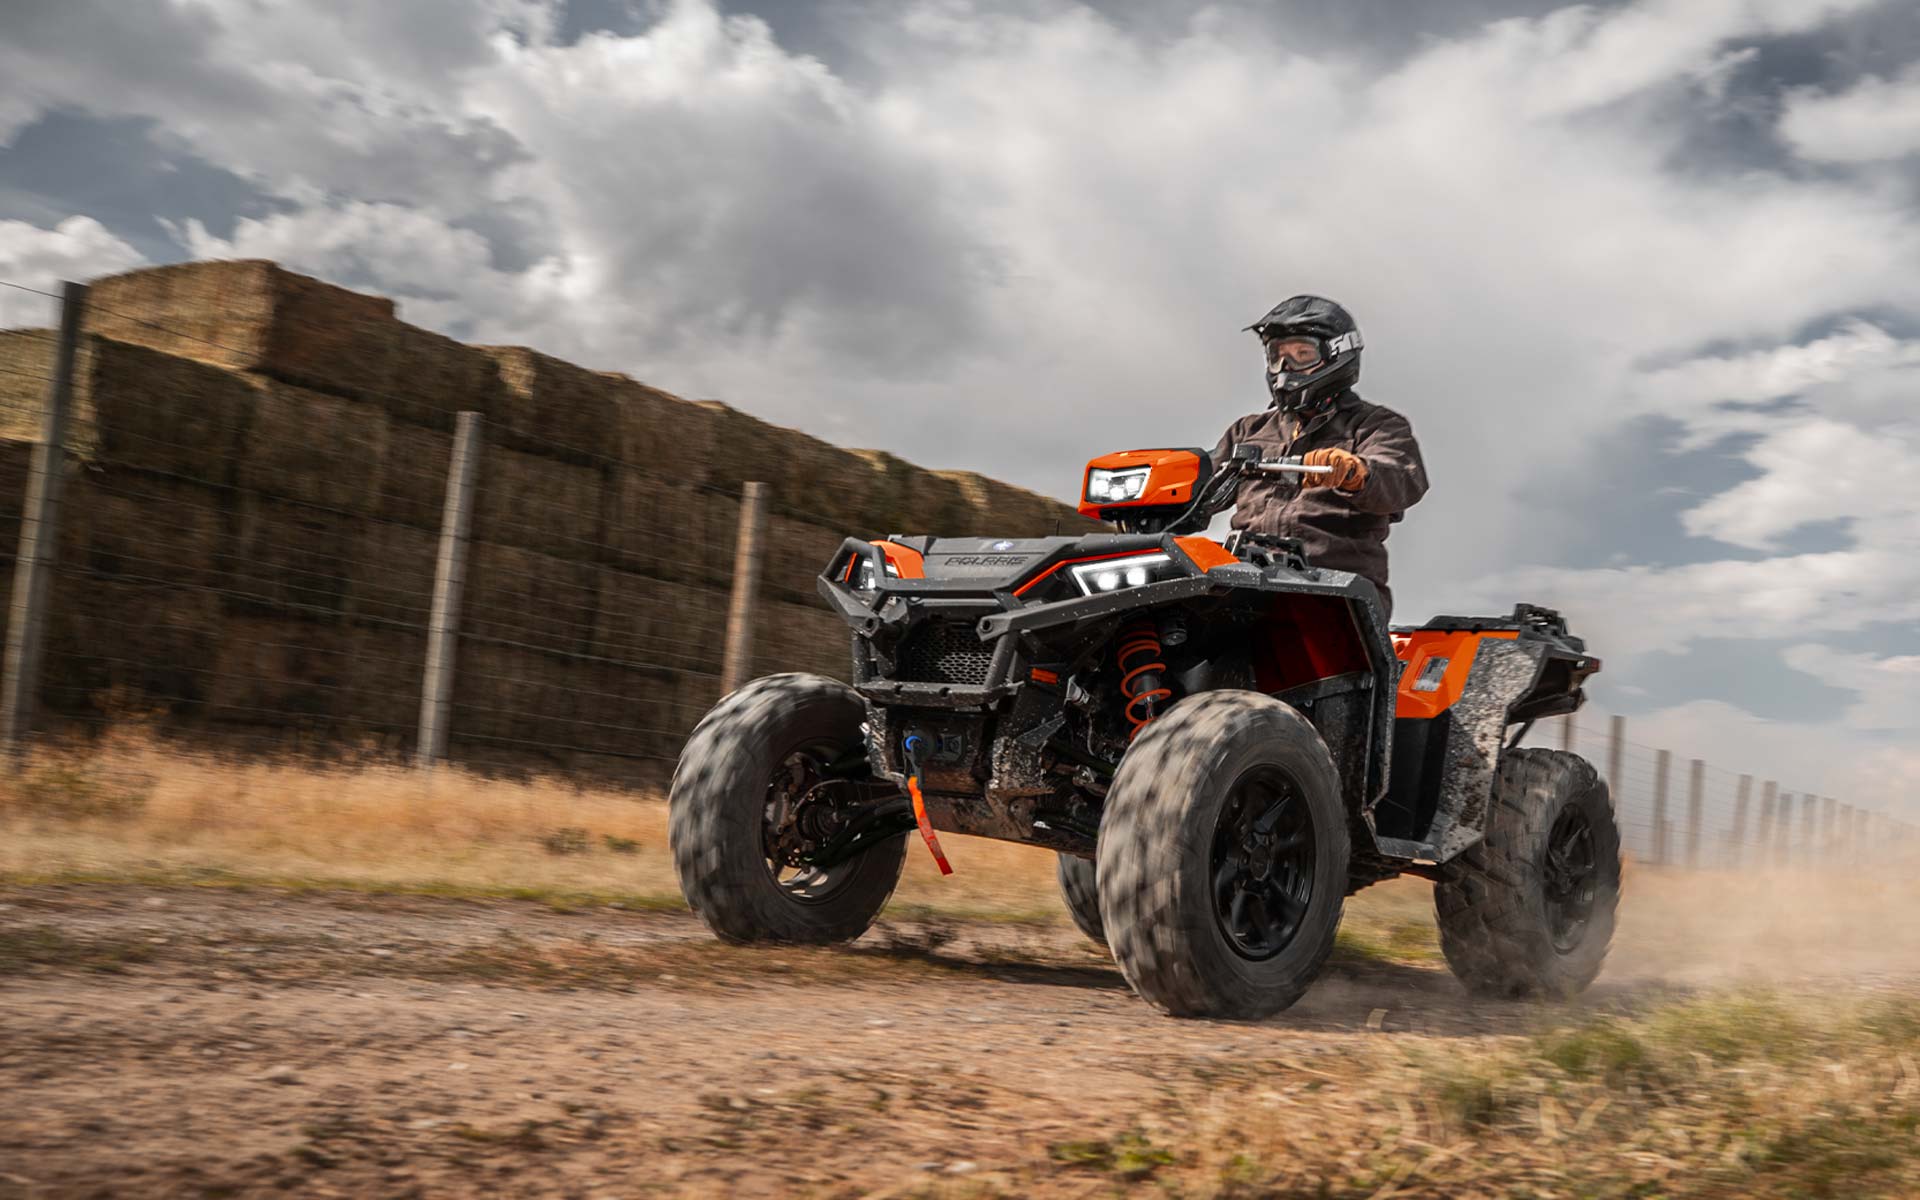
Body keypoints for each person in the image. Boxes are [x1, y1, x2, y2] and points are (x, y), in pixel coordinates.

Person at [1212, 295, 1428, 618]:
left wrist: (1355, 472)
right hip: (1246, 582)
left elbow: (1402, 478)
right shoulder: (1248, 431)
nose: (1286, 368)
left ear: (1337, 355)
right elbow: (1199, 488)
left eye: (1302, 355)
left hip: (1335, 589)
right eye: (1277, 356)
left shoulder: (1376, 425)